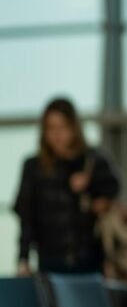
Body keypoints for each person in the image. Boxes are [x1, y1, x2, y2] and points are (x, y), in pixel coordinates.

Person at [13, 97, 120, 275]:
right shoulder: (33, 167)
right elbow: (26, 217)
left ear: (74, 127)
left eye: (62, 126)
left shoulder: (93, 161)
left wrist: (89, 186)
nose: (57, 134)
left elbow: (111, 192)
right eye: (51, 128)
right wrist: (23, 258)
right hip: (50, 262)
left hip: (92, 260)